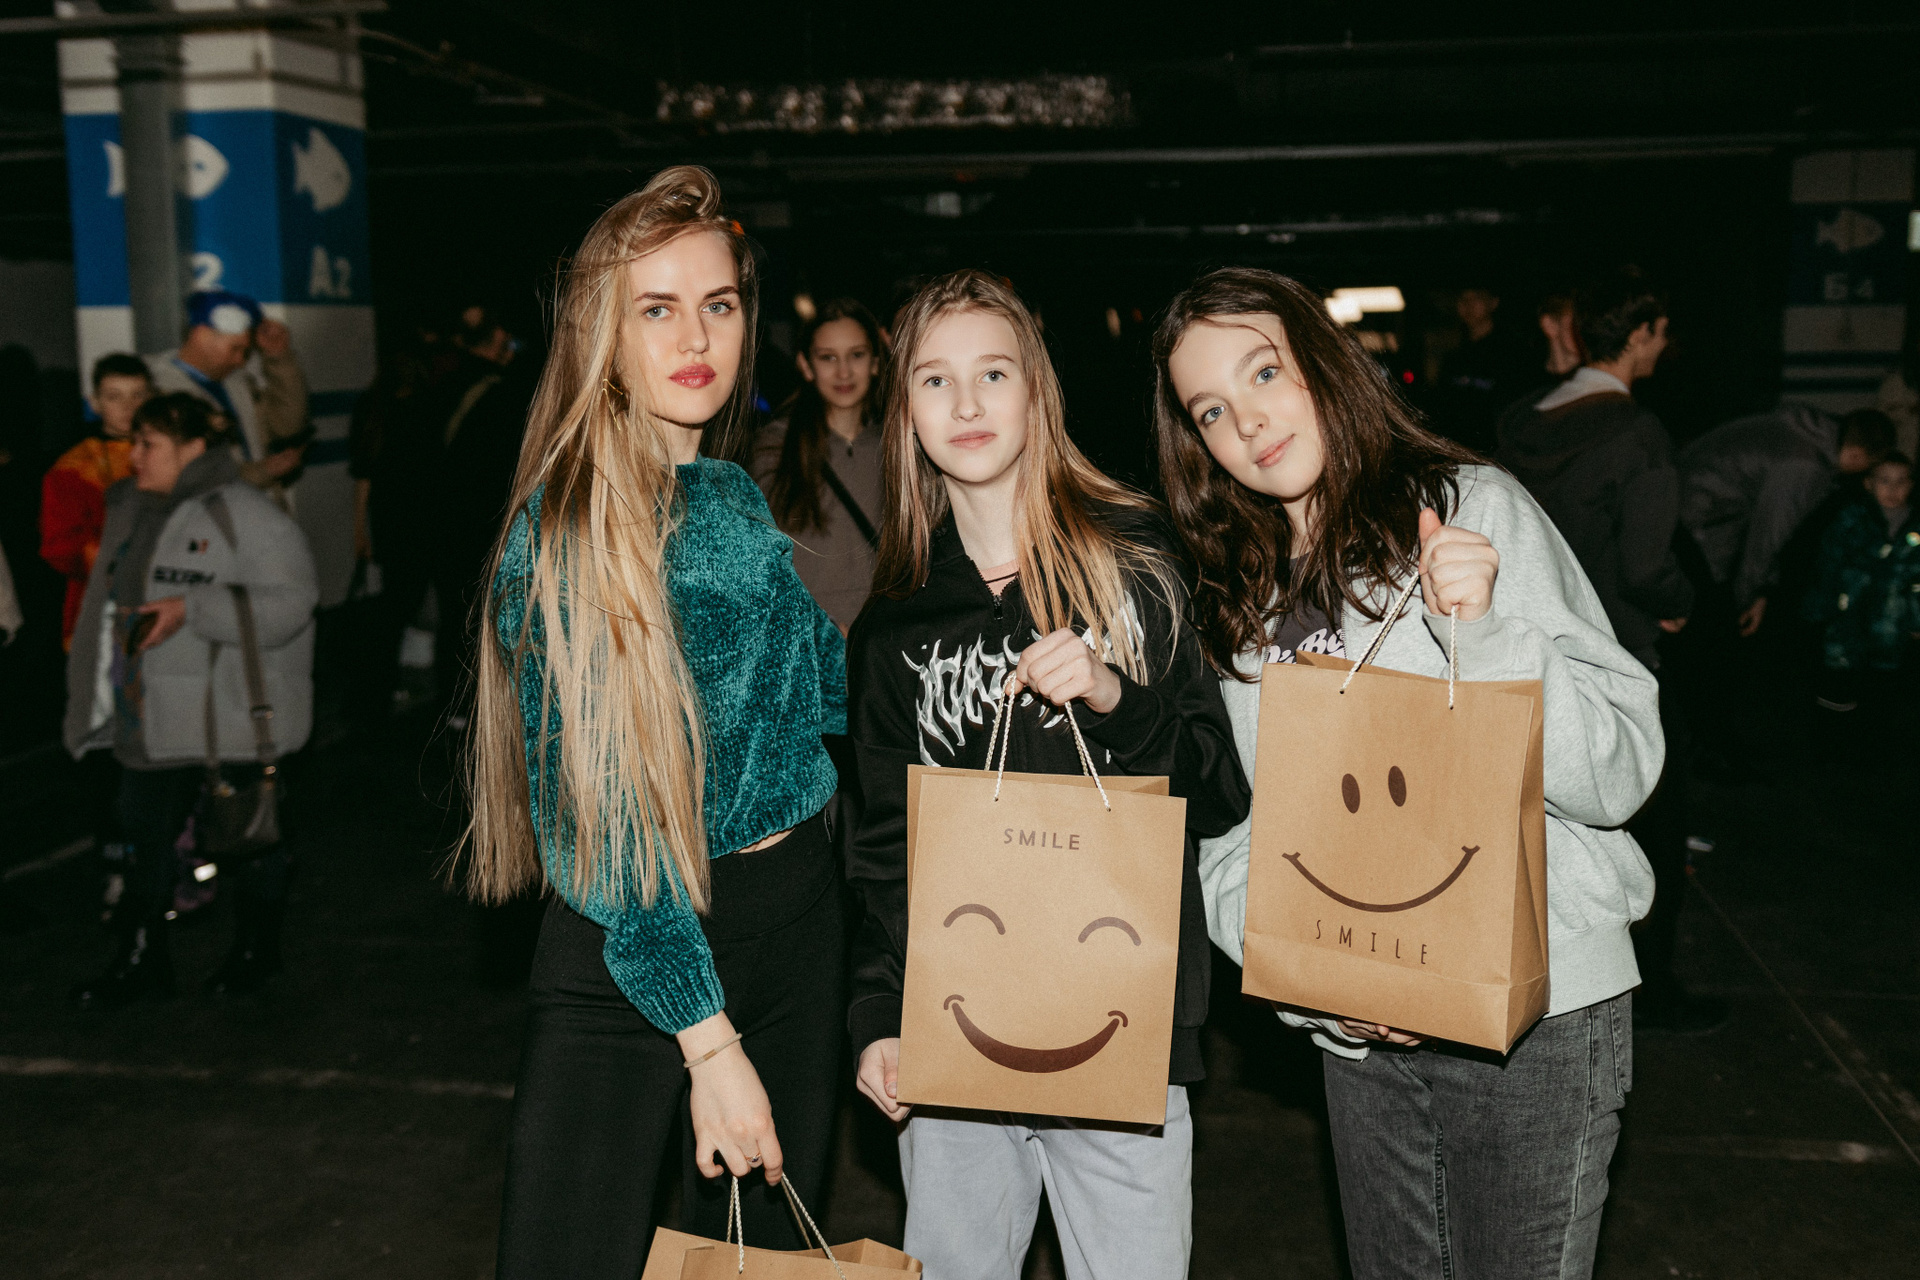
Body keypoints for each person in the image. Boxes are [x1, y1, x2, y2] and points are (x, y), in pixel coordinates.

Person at [1155, 267, 1660, 1280]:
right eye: (1210, 408)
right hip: (1365, 1041)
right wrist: (1319, 988)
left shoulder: (1470, 508)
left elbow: (1621, 769)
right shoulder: (1239, 597)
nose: (1246, 421)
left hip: (1538, 1022)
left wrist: (1492, 635)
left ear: (1324, 363)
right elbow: (1239, 833)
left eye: (1264, 372)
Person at [467, 166, 847, 1277]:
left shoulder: (728, 491)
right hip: (640, 950)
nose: (697, 337)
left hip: (796, 921)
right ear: (603, 331)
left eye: (718, 303)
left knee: (760, 1264)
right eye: (657, 308)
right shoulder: (570, 528)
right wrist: (708, 1040)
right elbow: (606, 828)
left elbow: (819, 696)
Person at [845, 269, 1250, 1280]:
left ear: (1037, 391)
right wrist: (876, 1016)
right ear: (907, 414)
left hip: (1121, 1022)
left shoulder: (1134, 561)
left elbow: (1221, 789)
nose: (967, 403)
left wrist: (1119, 698)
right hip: (956, 1026)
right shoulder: (895, 626)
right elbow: (883, 848)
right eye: (934, 380)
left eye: (993, 372)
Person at [1493, 270, 1716, 1034]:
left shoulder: (1522, 419)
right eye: (1661, 331)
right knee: (1654, 818)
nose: (1663, 344)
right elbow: (1647, 565)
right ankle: (1650, 988)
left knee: (1541, 821)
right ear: (1642, 332)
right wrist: (1682, 605)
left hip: (1527, 650)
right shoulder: (1637, 433)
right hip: (1617, 659)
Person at [64, 393, 318, 1005]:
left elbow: (294, 602)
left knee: (248, 834)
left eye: (149, 444)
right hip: (146, 712)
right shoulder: (130, 509)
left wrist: (193, 609)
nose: (135, 456)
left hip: (225, 715)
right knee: (143, 839)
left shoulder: (244, 513)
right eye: (134, 442)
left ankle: (255, 953)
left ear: (194, 448)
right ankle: (140, 959)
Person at [1678, 405, 1894, 639]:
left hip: (1693, 501)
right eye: (1869, 466)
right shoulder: (1805, 464)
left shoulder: (1809, 433)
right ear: (1858, 455)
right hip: (1698, 516)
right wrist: (1749, 598)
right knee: (1699, 615)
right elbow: (1769, 535)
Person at [752, 297, 887, 633]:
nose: (844, 372)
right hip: (808, 639)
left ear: (875, 361)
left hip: (883, 637)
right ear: (806, 364)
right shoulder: (775, 447)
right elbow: (758, 559)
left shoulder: (898, 446)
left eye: (856, 355)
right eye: (828, 357)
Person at [432, 304, 539, 727]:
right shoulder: (502, 392)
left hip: (442, 516)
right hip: (483, 522)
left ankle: (453, 705)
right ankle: (481, 710)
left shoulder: (440, 382)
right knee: (485, 616)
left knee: (453, 614)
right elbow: (508, 468)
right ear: (497, 341)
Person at [146, 290, 310, 493]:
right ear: (201, 335)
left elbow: (287, 426)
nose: (240, 360)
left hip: (257, 506)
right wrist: (264, 471)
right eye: (234, 349)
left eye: (245, 351)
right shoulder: (156, 389)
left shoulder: (237, 381)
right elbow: (186, 476)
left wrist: (279, 357)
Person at [41, 354, 151, 647]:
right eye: (114, 397)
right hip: (101, 605)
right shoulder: (74, 468)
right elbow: (59, 545)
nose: (128, 407)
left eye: (138, 395)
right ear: (95, 403)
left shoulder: (176, 454)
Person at [1805, 452, 1920, 735]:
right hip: (1846, 621)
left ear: (1911, 485)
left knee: (1881, 690)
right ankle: (1830, 736)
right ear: (1869, 484)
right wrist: (1819, 609)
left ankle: (1871, 740)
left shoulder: (1916, 527)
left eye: (1901, 481)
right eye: (1884, 481)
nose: (1893, 489)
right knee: (1838, 683)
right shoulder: (1851, 518)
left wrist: (1917, 620)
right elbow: (1828, 564)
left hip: (1891, 626)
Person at [1432, 284, 1534, 455]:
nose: (1468, 305)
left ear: (1493, 302)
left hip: (1497, 452)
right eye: (1463, 299)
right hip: (1459, 450)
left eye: (1476, 298)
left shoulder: (1512, 354)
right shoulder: (1454, 358)